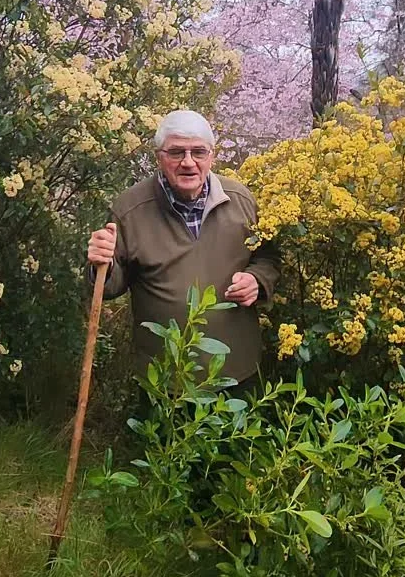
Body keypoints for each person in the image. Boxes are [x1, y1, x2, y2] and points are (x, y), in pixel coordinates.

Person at [87, 110, 279, 386]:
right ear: (159, 157)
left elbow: (268, 257)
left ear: (212, 156)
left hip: (236, 372)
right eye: (176, 152)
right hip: (164, 378)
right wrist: (101, 265)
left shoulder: (240, 200)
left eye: (198, 152)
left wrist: (257, 280)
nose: (188, 162)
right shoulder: (130, 210)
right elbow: (109, 286)